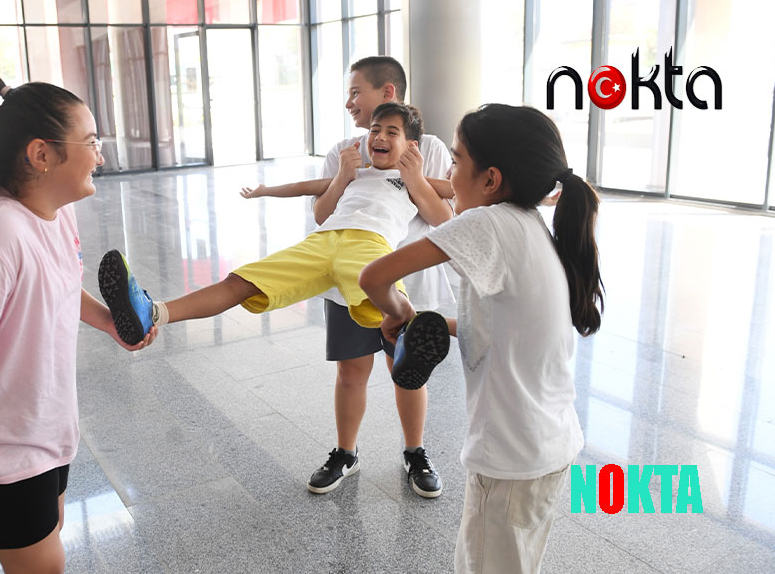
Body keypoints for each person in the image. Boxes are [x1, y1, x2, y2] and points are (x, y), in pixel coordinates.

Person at [0, 74, 156, 574]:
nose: (101, 155)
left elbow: (63, 287)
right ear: (41, 154)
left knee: (47, 541)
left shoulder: (52, 212)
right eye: (91, 142)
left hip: (42, 432)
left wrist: (109, 322)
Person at [359, 103, 603, 574]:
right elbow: (507, 325)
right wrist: (430, 321)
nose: (448, 173)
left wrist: (400, 311)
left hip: (511, 457)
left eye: (455, 161)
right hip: (541, 446)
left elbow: (375, 276)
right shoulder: (530, 224)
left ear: (490, 179)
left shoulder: (487, 223)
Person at [242, 56, 454, 498]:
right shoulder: (344, 148)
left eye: (356, 92)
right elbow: (322, 215)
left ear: (388, 94)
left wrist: (412, 178)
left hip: (408, 286)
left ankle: (415, 453)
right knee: (351, 372)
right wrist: (341, 175)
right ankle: (346, 452)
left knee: (408, 373)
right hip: (348, 283)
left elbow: (442, 218)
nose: (349, 102)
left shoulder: (429, 146)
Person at [99, 103, 450, 356]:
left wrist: (415, 177)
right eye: (375, 129)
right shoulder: (355, 173)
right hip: (321, 243)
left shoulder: (414, 180)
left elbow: (445, 213)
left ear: (412, 147)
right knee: (240, 281)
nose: (380, 136)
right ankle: (153, 312)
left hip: (369, 244)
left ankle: (413, 338)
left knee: (387, 291)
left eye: (392, 132)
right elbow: (309, 197)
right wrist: (332, 178)